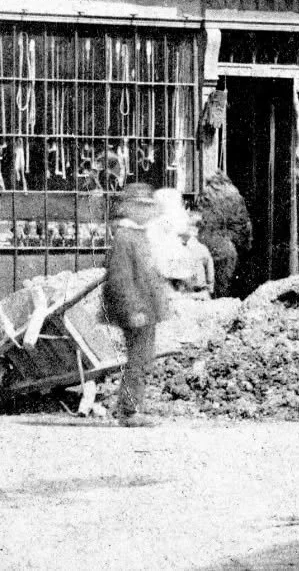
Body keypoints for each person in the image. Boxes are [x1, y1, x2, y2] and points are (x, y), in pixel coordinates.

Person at [102, 182, 171, 425]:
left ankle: (129, 406)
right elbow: (120, 279)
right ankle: (128, 411)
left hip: (146, 309)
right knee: (138, 360)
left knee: (143, 359)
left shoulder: (139, 235)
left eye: (148, 206)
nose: (145, 211)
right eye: (140, 206)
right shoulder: (125, 236)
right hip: (137, 311)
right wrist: (133, 309)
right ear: (128, 208)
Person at [196, 170, 252, 298]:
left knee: (208, 285)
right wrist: (242, 246)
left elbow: (201, 219)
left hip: (208, 245)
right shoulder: (235, 194)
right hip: (228, 247)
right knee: (225, 287)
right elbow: (244, 225)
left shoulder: (207, 192)